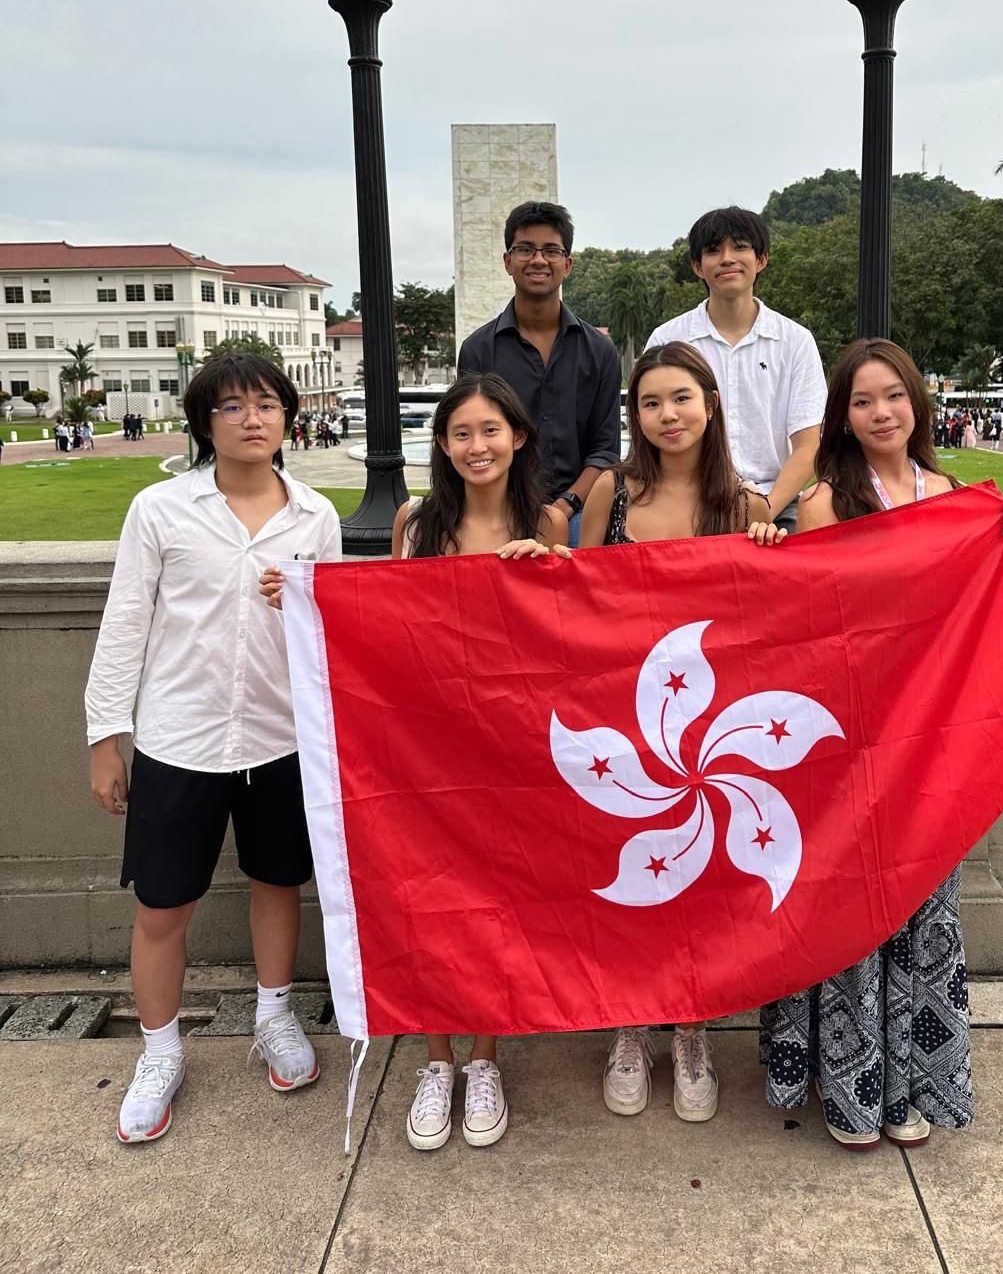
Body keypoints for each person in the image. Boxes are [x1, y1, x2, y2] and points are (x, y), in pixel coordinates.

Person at [265, 374, 567, 1152]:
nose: (477, 446)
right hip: (427, 749)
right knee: (427, 898)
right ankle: (436, 1059)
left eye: (491, 430)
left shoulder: (552, 520)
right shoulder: (415, 522)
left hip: (516, 750)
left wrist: (552, 571)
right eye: (461, 433)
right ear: (442, 446)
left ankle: (486, 1059)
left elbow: (582, 636)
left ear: (519, 437)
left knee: (501, 902)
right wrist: (304, 597)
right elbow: (385, 620)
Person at [758, 337, 1003, 1151]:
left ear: (915, 404)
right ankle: (846, 1087)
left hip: (928, 741)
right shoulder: (823, 500)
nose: (881, 413)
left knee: (920, 904)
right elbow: (808, 628)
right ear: (841, 415)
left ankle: (911, 1081)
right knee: (849, 905)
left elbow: (968, 621)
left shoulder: (954, 496)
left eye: (894, 397)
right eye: (862, 400)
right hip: (847, 741)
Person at [85, 354, 342, 1146]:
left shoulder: (315, 516)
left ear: (288, 419)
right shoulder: (160, 509)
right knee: (163, 904)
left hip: (280, 736)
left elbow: (333, 634)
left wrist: (300, 598)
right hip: (178, 739)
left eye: (266, 404)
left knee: (276, 883)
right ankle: (159, 1053)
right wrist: (105, 736)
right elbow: (125, 624)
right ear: (206, 424)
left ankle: (274, 1015)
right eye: (232, 407)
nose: (251, 418)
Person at [581, 341, 775, 1127]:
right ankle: (632, 1025)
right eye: (651, 402)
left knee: (701, 883)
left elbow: (780, 624)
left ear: (711, 404)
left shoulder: (747, 507)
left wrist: (771, 553)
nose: (668, 415)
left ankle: (692, 1028)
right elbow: (568, 598)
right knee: (633, 879)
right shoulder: (611, 492)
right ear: (635, 415)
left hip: (713, 729)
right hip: (624, 721)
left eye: (681, 399)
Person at [643, 207, 826, 530]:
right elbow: (651, 428)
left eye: (740, 247)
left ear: (761, 260)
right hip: (688, 504)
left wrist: (762, 511)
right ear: (698, 266)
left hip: (775, 504)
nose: (727, 258)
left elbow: (808, 444)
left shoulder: (795, 341)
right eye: (714, 251)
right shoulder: (669, 338)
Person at [457, 200, 621, 545]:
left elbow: (605, 450)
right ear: (508, 261)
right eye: (525, 249)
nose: (538, 260)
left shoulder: (600, 351)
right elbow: (473, 439)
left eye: (551, 250)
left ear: (568, 263)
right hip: (501, 509)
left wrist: (565, 506)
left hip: (578, 510)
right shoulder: (478, 350)